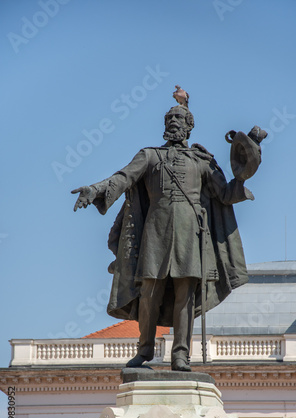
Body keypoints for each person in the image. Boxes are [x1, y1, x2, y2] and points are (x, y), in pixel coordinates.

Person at [72, 87, 264, 371]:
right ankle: (145, 351)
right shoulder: (149, 156)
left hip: (190, 233)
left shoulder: (203, 161)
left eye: (179, 118)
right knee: (149, 293)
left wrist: (244, 168)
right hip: (156, 232)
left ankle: (181, 355)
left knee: (185, 295)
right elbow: (123, 178)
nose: (173, 121)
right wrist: (95, 189)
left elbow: (224, 195)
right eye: (169, 118)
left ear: (189, 127)